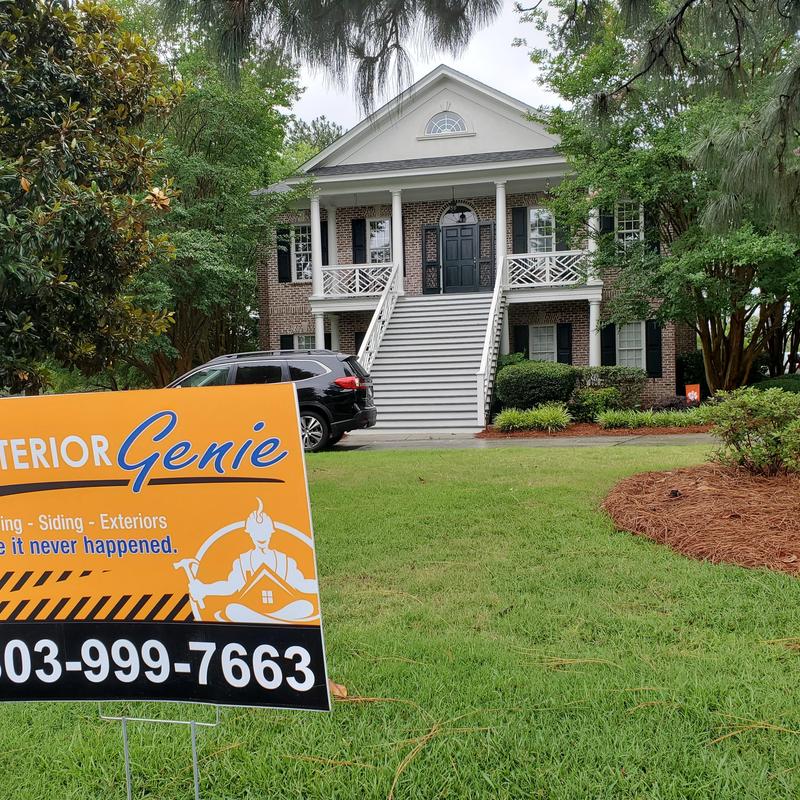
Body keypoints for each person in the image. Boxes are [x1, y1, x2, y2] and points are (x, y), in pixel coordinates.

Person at [189, 499, 317, 604]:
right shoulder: (242, 562)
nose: (261, 537)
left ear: (271, 532)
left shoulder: (285, 561)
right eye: (256, 532)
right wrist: (205, 589)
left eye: (265, 531)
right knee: (232, 609)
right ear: (250, 534)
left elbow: (301, 584)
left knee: (304, 605)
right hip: (251, 610)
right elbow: (230, 587)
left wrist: (317, 586)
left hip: (283, 608)